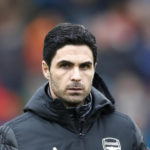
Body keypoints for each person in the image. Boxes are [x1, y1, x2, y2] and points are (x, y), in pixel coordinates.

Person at [0, 23, 148, 150]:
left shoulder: (125, 129)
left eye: (84, 66)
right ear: (46, 70)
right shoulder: (16, 136)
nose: (76, 76)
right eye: (65, 66)